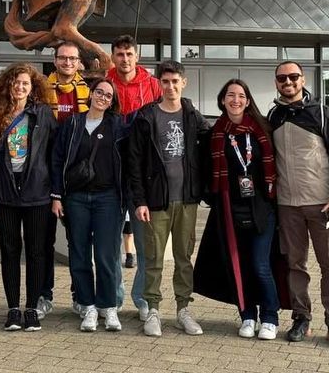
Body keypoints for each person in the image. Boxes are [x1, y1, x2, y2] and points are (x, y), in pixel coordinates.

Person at [193, 79, 286, 341]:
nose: (236, 100)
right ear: (222, 100)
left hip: (261, 208)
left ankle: (269, 316)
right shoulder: (215, 133)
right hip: (228, 209)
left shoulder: (263, 129)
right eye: (230, 95)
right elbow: (204, 169)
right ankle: (247, 315)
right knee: (239, 264)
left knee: (259, 264)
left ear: (248, 101)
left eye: (241, 95)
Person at [267, 61, 329, 349]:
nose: (287, 82)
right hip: (287, 205)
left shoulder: (322, 114)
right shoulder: (274, 115)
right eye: (282, 78)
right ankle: (301, 317)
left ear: (302, 79)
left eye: (293, 77)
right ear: (276, 82)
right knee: (295, 265)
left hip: (322, 205)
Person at [125, 60, 209, 337]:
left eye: (175, 81)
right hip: (156, 201)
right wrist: (139, 201)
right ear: (158, 84)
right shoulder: (146, 117)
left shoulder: (192, 115)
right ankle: (153, 310)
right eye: (165, 81)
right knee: (153, 258)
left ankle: (183, 310)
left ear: (183, 82)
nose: (170, 86)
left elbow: (211, 147)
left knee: (184, 258)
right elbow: (134, 163)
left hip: (186, 200)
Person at [0, 63, 56, 332]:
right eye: (16, 82)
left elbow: (53, 154)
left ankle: (32, 308)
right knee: (10, 252)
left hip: (38, 194)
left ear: (32, 87)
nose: (20, 87)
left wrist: (54, 190)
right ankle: (13, 309)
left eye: (25, 83)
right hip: (5, 196)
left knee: (36, 252)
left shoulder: (43, 114)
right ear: (8, 85)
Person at [50, 77, 127, 332]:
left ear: (112, 101)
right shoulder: (72, 123)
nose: (103, 97)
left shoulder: (118, 125)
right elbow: (58, 159)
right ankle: (88, 306)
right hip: (76, 198)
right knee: (80, 255)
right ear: (90, 93)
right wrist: (57, 195)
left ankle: (109, 307)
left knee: (107, 255)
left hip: (108, 198)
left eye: (108, 95)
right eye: (99, 92)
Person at [104, 34, 161, 321]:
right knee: (110, 243)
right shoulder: (104, 84)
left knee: (144, 243)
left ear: (136, 56)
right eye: (119, 54)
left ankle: (142, 299)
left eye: (129, 54)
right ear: (112, 57)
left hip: (142, 179)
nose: (124, 59)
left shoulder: (153, 85)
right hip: (111, 176)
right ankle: (113, 298)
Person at [39, 41, 90, 318]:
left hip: (76, 178)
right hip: (45, 175)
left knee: (78, 242)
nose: (68, 63)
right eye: (63, 58)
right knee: (43, 241)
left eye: (73, 59)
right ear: (55, 60)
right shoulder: (41, 90)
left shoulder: (89, 91)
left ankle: (80, 296)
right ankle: (43, 295)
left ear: (79, 62)